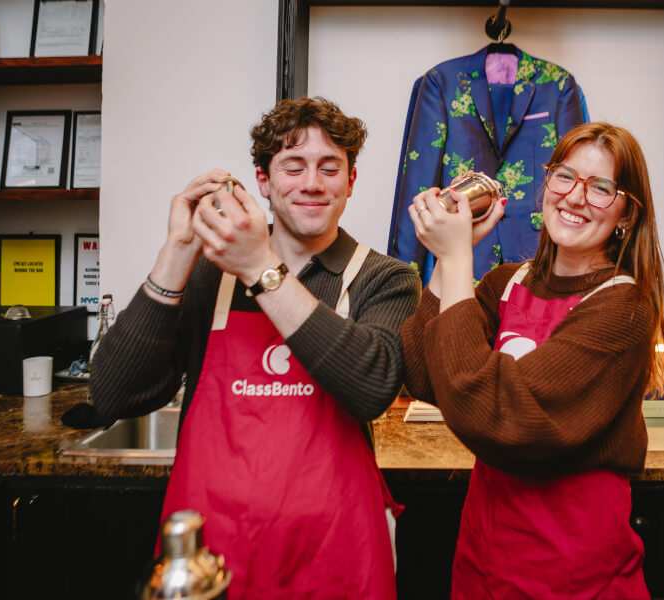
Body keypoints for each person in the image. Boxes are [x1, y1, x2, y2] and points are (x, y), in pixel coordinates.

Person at [90, 97, 420, 599]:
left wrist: (260, 268)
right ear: (264, 182)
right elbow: (114, 395)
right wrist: (177, 253)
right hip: (212, 555)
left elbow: (372, 387)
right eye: (293, 166)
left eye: (330, 168)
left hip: (334, 555)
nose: (312, 183)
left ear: (351, 182)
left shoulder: (386, 278)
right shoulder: (209, 274)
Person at [401, 121, 664, 599]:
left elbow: (497, 415)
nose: (575, 197)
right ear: (546, 184)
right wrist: (450, 257)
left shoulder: (624, 307)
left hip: (575, 576)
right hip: (484, 565)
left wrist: (454, 264)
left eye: (601, 188)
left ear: (625, 217)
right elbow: (425, 375)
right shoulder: (505, 283)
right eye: (564, 177)